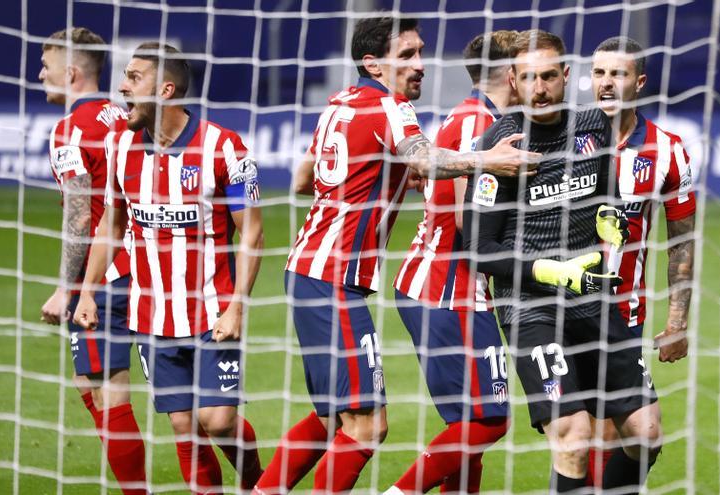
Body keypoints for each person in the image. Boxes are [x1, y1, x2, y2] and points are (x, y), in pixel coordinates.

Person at [254, 15, 539, 494]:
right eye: (406, 55)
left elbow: (306, 181)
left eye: (420, 52)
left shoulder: (340, 104)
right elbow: (426, 159)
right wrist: (489, 160)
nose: (420, 65)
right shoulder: (394, 108)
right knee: (368, 427)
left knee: (332, 416)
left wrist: (384, 181)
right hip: (335, 277)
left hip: (308, 270)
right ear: (374, 64)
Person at [463, 29, 661, 493]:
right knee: (573, 436)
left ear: (566, 76)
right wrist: (549, 271)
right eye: (529, 78)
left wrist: (610, 218)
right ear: (513, 79)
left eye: (549, 76)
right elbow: (478, 247)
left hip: (592, 300)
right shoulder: (502, 144)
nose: (540, 89)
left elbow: (606, 194)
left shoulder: (594, 125)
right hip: (531, 311)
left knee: (646, 432)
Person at [72, 42, 263, 493]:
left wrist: (236, 306)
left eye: (134, 78)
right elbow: (110, 225)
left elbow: (252, 233)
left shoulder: (225, 147)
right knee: (184, 427)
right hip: (151, 316)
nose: (122, 87)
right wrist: (87, 292)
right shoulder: (120, 146)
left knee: (216, 421)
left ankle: (261, 484)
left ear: (166, 89)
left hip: (212, 312)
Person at [386, 30, 519, 494]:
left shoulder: (484, 117)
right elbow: (468, 221)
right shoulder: (476, 121)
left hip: (450, 286)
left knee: (468, 424)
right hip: (445, 288)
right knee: (490, 419)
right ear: (510, 73)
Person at [37, 27, 147, 494]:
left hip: (106, 274)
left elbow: (80, 215)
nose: (40, 74)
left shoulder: (68, 129)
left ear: (72, 72)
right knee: (89, 384)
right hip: (147, 263)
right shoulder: (126, 114)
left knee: (109, 390)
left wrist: (68, 286)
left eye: (46, 66)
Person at [586, 35, 696, 487]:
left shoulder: (669, 150)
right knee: (589, 433)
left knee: (640, 436)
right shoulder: (566, 139)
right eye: (598, 73)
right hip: (562, 309)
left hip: (625, 316)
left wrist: (677, 323)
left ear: (640, 82)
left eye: (618, 74)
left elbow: (681, 243)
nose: (607, 83)